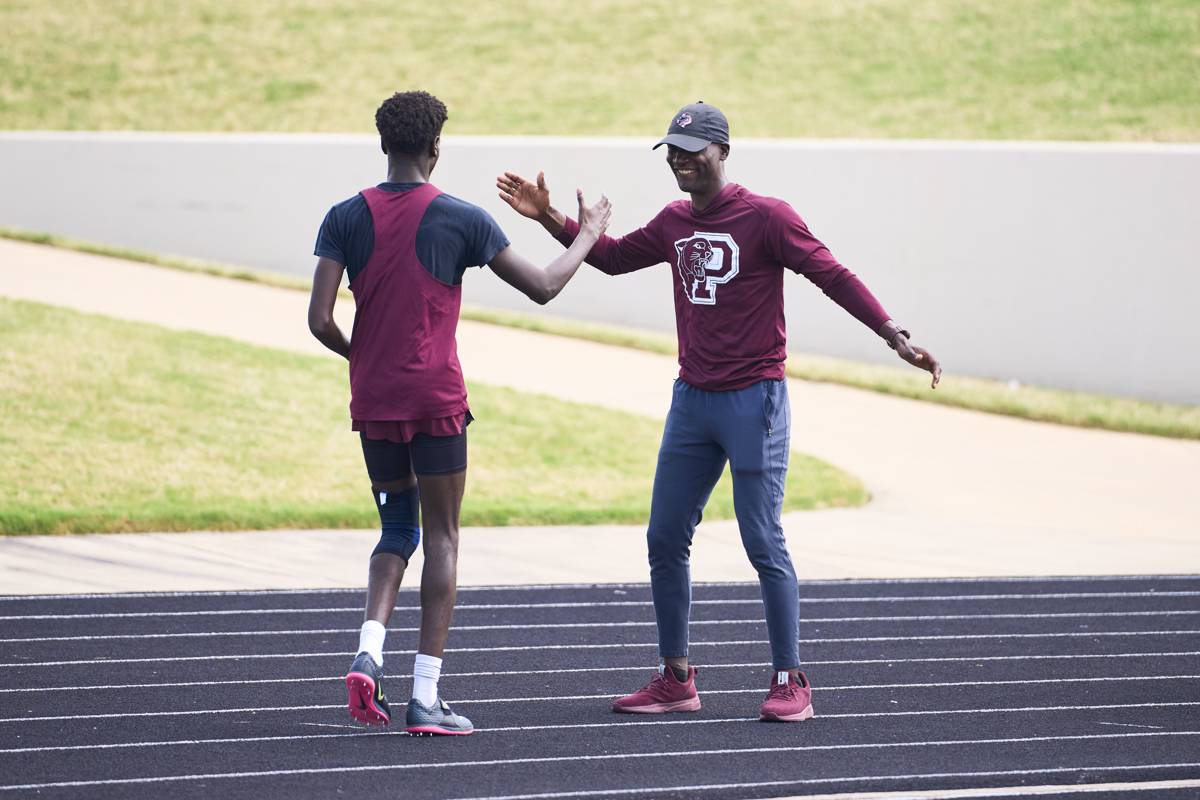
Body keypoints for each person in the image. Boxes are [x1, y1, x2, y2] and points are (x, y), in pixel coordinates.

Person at [497, 101, 940, 723]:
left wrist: (893, 334)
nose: (680, 159)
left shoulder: (767, 217)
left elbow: (832, 275)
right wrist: (550, 219)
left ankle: (791, 680)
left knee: (762, 538)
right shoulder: (675, 219)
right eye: (672, 150)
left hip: (753, 398)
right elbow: (616, 257)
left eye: (692, 148)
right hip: (693, 402)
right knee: (664, 537)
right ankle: (675, 679)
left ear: (722, 152)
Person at [308, 90, 610, 736]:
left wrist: (365, 359)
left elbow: (319, 320)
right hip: (437, 403)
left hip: (376, 403)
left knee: (396, 533)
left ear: (385, 145)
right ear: (435, 148)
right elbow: (544, 286)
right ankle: (424, 697)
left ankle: (368, 649)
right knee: (443, 538)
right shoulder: (461, 218)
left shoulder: (342, 216)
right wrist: (587, 232)